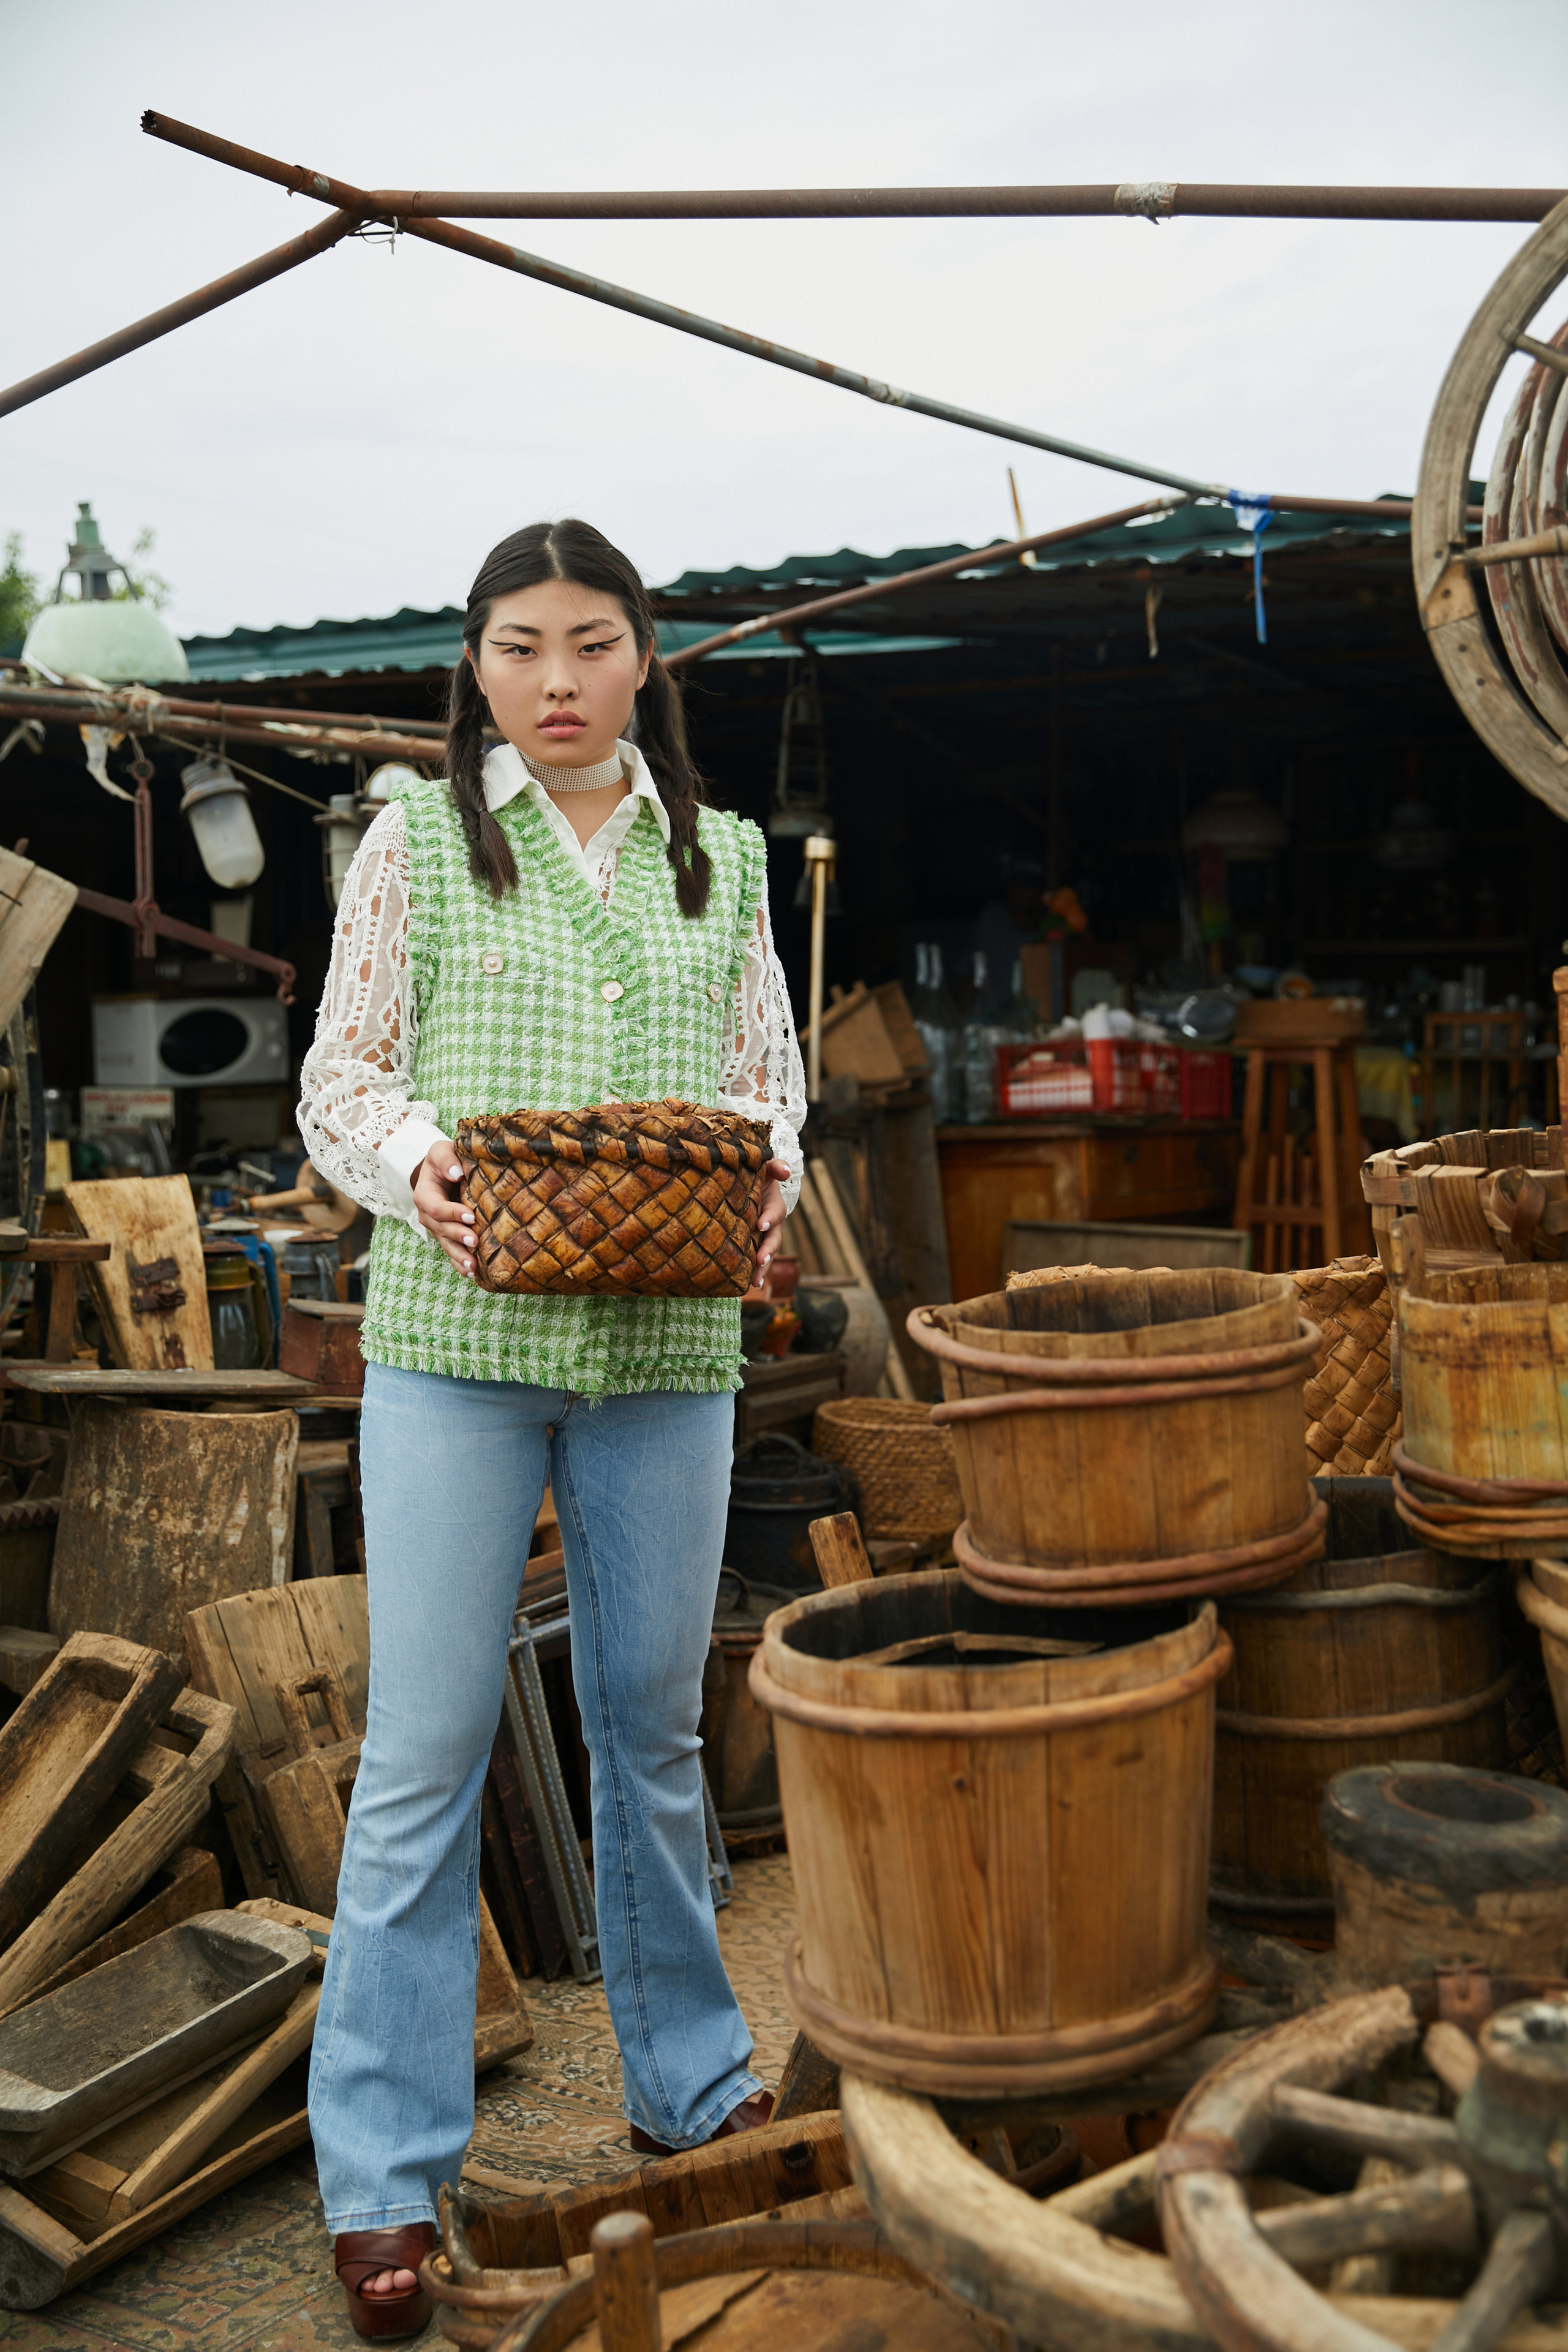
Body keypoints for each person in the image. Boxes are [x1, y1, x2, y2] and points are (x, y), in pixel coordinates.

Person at [297, 518, 805, 2340]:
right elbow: (342, 1069)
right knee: (425, 1752)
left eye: (594, 643)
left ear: (646, 660)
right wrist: (417, 1161)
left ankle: (687, 2082)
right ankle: (380, 2173)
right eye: (523, 647)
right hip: (453, 1335)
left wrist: (770, 1187)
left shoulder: (719, 862)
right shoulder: (421, 839)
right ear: (479, 668)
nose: (561, 681)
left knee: (653, 1728)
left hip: (667, 1342)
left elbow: (767, 1081)